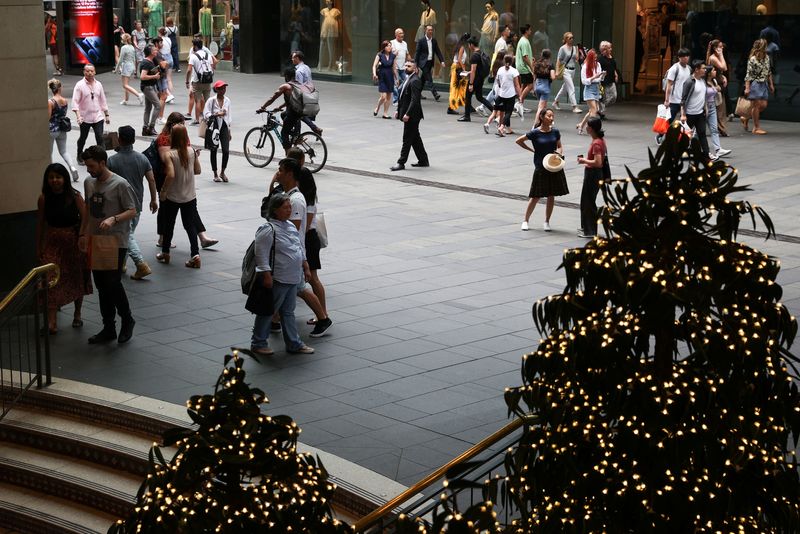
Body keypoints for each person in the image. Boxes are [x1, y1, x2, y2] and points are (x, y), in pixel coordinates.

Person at [78, 146, 137, 344]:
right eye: (87, 166)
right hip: (96, 240)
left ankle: (127, 319)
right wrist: (83, 233)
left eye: (92, 166)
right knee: (101, 285)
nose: (88, 170)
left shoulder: (120, 184)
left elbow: (132, 210)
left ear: (103, 163)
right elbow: (87, 209)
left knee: (113, 282)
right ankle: (108, 327)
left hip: (115, 241)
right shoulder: (88, 183)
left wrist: (114, 219)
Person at [250, 193, 315, 356]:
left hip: (292, 277)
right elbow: (261, 254)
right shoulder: (268, 229)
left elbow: (299, 247)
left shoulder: (290, 226)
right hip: (278, 278)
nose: (289, 210)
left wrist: (305, 265)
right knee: (268, 311)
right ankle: (258, 342)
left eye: (289, 207)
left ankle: (294, 343)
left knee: (288, 312)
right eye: (285, 207)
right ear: (275, 210)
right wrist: (266, 275)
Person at [36, 163, 92, 334]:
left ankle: (77, 313)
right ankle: (51, 322)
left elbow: (85, 220)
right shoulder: (44, 198)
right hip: (53, 242)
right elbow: (41, 224)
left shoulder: (75, 197)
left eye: (58, 177)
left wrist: (83, 240)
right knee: (49, 279)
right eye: (51, 177)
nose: (55, 180)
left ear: (65, 179)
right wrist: (39, 247)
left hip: (73, 243)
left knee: (76, 277)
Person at [285, 148, 332, 337]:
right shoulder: (300, 196)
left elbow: (303, 225)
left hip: (308, 238)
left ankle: (323, 314)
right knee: (309, 279)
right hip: (306, 239)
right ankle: (320, 314)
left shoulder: (306, 200)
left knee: (312, 278)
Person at [154, 112, 218, 250]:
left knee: (189, 209)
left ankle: (201, 237)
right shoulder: (163, 139)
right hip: (166, 179)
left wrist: (193, 156)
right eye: (181, 124)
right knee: (165, 210)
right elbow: (167, 160)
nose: (183, 126)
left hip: (182, 179)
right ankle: (163, 239)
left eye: (183, 124)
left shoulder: (184, 137)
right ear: (172, 125)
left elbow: (190, 160)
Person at [107, 125, 157, 280]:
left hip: (119, 206)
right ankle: (122, 263)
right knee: (129, 233)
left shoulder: (112, 160)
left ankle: (141, 264)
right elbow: (151, 179)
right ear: (134, 140)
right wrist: (154, 199)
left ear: (119, 139)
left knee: (127, 235)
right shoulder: (142, 158)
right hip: (137, 204)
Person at [157, 124, 205, 268]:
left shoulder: (169, 154)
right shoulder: (191, 151)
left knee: (169, 224)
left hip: (173, 196)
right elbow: (198, 171)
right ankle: (195, 255)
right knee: (189, 225)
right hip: (190, 195)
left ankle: (165, 253)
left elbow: (170, 174)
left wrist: (163, 191)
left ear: (173, 136)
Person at [515, 108, 568, 232]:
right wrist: (531, 150)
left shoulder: (555, 131)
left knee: (551, 195)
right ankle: (525, 220)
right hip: (540, 166)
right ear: (542, 117)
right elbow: (518, 141)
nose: (551, 118)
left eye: (552, 116)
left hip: (554, 165)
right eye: (549, 116)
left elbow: (560, 146)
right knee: (535, 195)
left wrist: (559, 153)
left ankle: (547, 221)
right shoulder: (535, 133)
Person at [391, 59, 428, 171]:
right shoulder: (408, 79)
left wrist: (407, 114)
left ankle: (401, 162)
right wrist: (398, 110)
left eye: (409, 66)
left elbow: (415, 100)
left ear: (415, 69)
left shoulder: (415, 80)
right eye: (406, 65)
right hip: (408, 113)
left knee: (407, 138)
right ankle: (423, 160)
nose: (406, 67)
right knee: (415, 138)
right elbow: (402, 97)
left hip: (413, 115)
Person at [576, 117, 609, 239]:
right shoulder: (599, 140)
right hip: (593, 173)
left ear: (591, 128)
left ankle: (590, 231)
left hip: (593, 175)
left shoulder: (596, 143)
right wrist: (587, 163)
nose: (586, 127)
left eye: (587, 126)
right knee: (586, 201)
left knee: (588, 202)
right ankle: (586, 227)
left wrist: (584, 160)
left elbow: (598, 162)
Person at [72, 64, 110, 166]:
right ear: (84, 72)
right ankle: (79, 154)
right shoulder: (79, 85)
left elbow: (103, 100)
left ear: (95, 72)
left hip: (98, 117)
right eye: (87, 71)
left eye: (91, 71)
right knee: (83, 138)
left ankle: (102, 159)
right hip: (85, 117)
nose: (89, 73)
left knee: (100, 137)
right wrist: (78, 116)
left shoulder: (99, 84)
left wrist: (106, 115)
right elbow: (75, 102)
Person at [258, 67, 301, 155]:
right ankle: (294, 135)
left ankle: (289, 155)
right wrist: (279, 107)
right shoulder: (299, 85)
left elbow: (272, 98)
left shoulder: (285, 86)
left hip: (292, 113)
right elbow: (291, 100)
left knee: (283, 133)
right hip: (300, 112)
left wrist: (263, 107)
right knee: (283, 114)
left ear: (286, 76)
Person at [47, 79, 79, 182]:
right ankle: (72, 167)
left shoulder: (51, 102)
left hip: (52, 129)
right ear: (60, 88)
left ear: (51, 89)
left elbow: (48, 117)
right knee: (64, 151)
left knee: (49, 153)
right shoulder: (64, 100)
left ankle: (50, 173)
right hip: (62, 129)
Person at [658, 47, 691, 145]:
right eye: (683, 56)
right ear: (679, 58)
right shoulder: (674, 69)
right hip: (674, 100)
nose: (686, 58)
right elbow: (669, 85)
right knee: (669, 119)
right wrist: (667, 100)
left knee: (684, 120)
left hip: (684, 100)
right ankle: (660, 135)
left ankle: (683, 139)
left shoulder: (689, 69)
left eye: (687, 56)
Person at [680, 59, 712, 160]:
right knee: (685, 136)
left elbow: (704, 96)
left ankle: (706, 154)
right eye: (703, 68)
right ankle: (680, 152)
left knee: (702, 133)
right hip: (689, 114)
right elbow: (683, 99)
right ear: (696, 70)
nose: (705, 70)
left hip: (700, 113)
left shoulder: (703, 81)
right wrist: (683, 114)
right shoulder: (689, 82)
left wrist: (705, 108)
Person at [203, 80, 232, 182]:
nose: (223, 90)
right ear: (217, 89)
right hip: (214, 126)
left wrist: (229, 131)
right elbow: (205, 114)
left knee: (226, 151)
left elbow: (228, 117)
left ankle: (222, 172)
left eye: (224, 88)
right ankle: (215, 173)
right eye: (221, 88)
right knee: (214, 149)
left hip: (224, 126)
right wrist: (216, 114)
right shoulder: (211, 100)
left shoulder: (228, 100)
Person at [744, 38, 774, 135]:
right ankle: (756, 128)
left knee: (763, 105)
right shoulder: (752, 59)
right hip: (755, 83)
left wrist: (771, 84)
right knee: (756, 106)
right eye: (765, 45)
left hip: (764, 83)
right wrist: (747, 88)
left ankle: (746, 117)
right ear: (762, 47)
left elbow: (769, 72)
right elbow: (748, 74)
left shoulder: (767, 57)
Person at [485, 55, 520, 136]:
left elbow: (497, 80)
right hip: (510, 95)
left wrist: (501, 87)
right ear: (512, 62)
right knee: (508, 113)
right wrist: (520, 95)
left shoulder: (500, 70)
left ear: (504, 61)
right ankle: (501, 127)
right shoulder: (514, 71)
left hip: (501, 94)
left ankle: (495, 125)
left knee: (499, 112)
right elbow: (517, 85)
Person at [185, 38, 217, 126]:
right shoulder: (208, 55)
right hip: (207, 80)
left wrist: (187, 81)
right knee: (207, 100)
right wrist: (210, 77)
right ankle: (209, 118)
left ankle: (197, 120)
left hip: (197, 81)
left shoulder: (193, 56)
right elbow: (212, 68)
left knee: (198, 101)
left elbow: (188, 70)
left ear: (195, 46)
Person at [462, 36, 493, 122]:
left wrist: (471, 84)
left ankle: (467, 116)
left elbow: (473, 70)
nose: (468, 46)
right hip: (481, 78)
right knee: (479, 97)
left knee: (468, 96)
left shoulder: (474, 56)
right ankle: (494, 110)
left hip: (475, 79)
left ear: (471, 45)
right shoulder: (481, 53)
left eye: (469, 44)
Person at [291, 50, 323, 135]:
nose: (292, 59)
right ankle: (315, 129)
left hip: (303, 95)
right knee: (301, 115)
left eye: (293, 57)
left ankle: (298, 134)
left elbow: (299, 86)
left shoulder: (298, 71)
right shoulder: (306, 67)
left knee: (297, 114)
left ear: (297, 58)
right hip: (310, 93)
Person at [704, 66, 732, 161]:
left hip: (712, 106)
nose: (715, 71)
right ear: (708, 73)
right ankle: (691, 146)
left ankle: (718, 149)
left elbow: (720, 88)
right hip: (704, 107)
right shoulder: (703, 82)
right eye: (713, 70)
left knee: (714, 129)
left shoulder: (714, 81)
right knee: (698, 131)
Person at [414, 25, 445, 101]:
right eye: (429, 30)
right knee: (429, 78)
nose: (430, 31)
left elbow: (438, 51)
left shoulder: (434, 41)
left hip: (430, 62)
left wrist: (442, 61)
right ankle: (435, 94)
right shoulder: (421, 41)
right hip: (423, 63)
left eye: (431, 30)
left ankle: (417, 93)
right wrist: (416, 65)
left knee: (423, 79)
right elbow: (417, 53)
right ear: (425, 31)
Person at [576, 49, 604, 134]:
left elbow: (600, 78)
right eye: (594, 58)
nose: (595, 60)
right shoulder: (585, 67)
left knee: (592, 110)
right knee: (594, 110)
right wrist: (594, 77)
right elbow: (584, 81)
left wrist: (602, 76)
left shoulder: (598, 65)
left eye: (596, 58)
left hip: (596, 88)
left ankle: (581, 125)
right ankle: (592, 128)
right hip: (589, 89)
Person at [553, 32, 581, 113]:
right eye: (570, 38)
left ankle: (555, 101)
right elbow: (558, 60)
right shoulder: (562, 48)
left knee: (565, 88)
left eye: (572, 38)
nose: (572, 39)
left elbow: (576, 59)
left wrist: (578, 50)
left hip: (573, 70)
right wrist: (557, 71)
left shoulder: (574, 48)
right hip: (566, 70)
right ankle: (574, 106)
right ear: (565, 39)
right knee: (571, 88)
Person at [705, 39, 728, 137]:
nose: (722, 48)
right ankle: (720, 128)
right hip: (714, 84)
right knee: (719, 106)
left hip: (717, 82)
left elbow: (722, 71)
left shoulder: (715, 57)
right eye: (720, 46)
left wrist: (723, 76)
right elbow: (724, 68)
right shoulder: (713, 57)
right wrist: (721, 55)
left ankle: (720, 128)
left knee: (720, 106)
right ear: (715, 48)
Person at [139, 45, 162, 136]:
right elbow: (142, 76)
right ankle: (151, 127)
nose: (156, 51)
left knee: (148, 108)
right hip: (147, 87)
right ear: (150, 52)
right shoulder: (146, 63)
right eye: (154, 50)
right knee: (158, 106)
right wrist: (154, 76)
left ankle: (145, 128)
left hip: (150, 86)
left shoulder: (151, 61)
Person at [446, 33, 470, 116]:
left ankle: (460, 103)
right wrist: (464, 69)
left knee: (460, 87)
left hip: (455, 68)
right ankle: (451, 107)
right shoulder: (462, 47)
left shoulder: (459, 46)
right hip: (457, 68)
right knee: (456, 88)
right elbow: (459, 59)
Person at [372, 40, 397, 119]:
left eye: (390, 45)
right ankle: (378, 108)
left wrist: (397, 78)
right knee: (383, 97)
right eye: (387, 46)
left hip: (390, 77)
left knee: (389, 97)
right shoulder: (379, 55)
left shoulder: (393, 56)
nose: (389, 47)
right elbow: (374, 66)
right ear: (384, 47)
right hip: (382, 77)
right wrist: (374, 74)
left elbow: (394, 68)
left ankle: (385, 113)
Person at [515, 24, 535, 118]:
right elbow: (525, 57)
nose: (531, 31)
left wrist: (531, 59)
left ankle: (520, 103)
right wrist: (532, 67)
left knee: (524, 84)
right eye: (530, 30)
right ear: (526, 31)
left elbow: (526, 56)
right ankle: (519, 102)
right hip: (524, 67)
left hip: (521, 66)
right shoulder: (524, 42)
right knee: (530, 84)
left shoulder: (523, 41)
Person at [118, 34, 143, 106]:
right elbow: (134, 58)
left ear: (124, 40)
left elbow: (120, 60)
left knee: (125, 85)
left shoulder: (124, 48)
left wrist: (116, 69)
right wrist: (134, 68)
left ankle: (138, 95)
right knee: (126, 84)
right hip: (131, 65)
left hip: (126, 66)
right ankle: (126, 100)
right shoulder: (132, 47)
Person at [597, 41, 619, 118]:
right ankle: (601, 111)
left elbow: (614, 68)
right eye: (609, 48)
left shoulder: (612, 58)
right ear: (604, 50)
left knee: (614, 97)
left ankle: (600, 107)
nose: (611, 49)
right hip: (604, 81)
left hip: (611, 79)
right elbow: (597, 69)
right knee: (605, 96)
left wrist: (616, 75)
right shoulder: (600, 59)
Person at [533, 48, 556, 116]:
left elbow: (534, 77)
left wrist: (534, 88)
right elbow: (553, 77)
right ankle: (535, 125)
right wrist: (556, 74)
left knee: (543, 107)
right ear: (549, 56)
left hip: (537, 87)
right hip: (545, 87)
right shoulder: (550, 65)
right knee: (540, 108)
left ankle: (545, 124)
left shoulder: (537, 64)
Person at [391, 28, 409, 105]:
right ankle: (395, 100)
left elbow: (407, 54)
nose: (402, 35)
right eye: (400, 33)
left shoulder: (405, 43)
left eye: (402, 33)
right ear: (396, 35)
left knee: (406, 82)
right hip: (395, 67)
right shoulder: (392, 43)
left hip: (403, 67)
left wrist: (411, 62)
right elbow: (390, 54)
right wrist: (394, 53)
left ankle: (400, 97)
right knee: (396, 84)